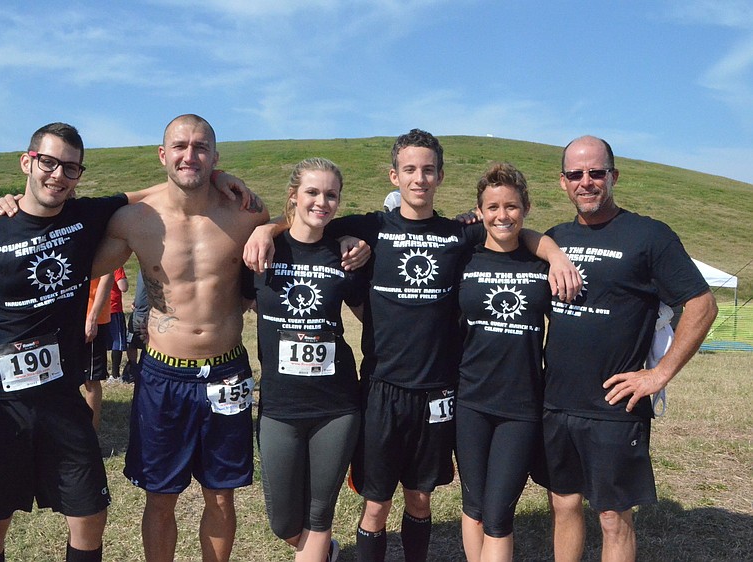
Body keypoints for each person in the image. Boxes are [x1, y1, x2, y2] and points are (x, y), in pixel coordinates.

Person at [245, 129, 580, 562]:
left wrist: (555, 255)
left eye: (427, 170)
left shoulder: (460, 233)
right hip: (381, 388)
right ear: (394, 176)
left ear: (440, 176)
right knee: (376, 504)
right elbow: (307, 224)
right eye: (409, 170)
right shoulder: (369, 228)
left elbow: (517, 231)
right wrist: (265, 230)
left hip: (438, 391)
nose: (418, 178)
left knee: (420, 499)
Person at [0, 123, 127, 562]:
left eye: (70, 168)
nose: (57, 175)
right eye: (49, 162)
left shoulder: (84, 219)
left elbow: (154, 199)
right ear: (28, 161)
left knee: (91, 513)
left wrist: (218, 181)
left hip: (61, 399)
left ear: (79, 176)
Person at [89, 114, 272, 562]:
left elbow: (307, 223)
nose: (190, 155)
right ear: (162, 154)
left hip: (227, 370)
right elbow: (79, 255)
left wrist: (272, 227)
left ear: (216, 156)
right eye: (180, 146)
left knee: (222, 495)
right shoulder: (135, 220)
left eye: (201, 147)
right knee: (160, 495)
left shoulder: (246, 214)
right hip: (162, 374)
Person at [536, 136, 717, 562]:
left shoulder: (649, 236)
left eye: (596, 172)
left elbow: (701, 304)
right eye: (576, 174)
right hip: (555, 401)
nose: (587, 182)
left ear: (613, 176)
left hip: (615, 406)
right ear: (562, 182)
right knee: (563, 506)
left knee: (614, 518)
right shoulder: (554, 238)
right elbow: (513, 239)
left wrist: (660, 373)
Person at [243, 158, 365, 562]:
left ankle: (317, 547)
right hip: (280, 406)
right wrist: (265, 227)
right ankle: (321, 550)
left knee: (319, 511)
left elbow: (373, 314)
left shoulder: (344, 254)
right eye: (312, 192)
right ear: (293, 195)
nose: (322, 202)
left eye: (331, 194)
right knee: (283, 523)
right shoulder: (262, 248)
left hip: (337, 405)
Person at [454, 163, 550, 562]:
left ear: (525, 207)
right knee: (474, 509)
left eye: (511, 206)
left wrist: (554, 253)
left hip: (521, 406)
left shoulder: (541, 266)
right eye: (492, 207)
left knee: (498, 516)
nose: (502, 215)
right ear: (480, 212)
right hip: (470, 401)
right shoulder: (464, 260)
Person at [83, 273, 114, 432]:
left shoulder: (99, 246)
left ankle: (91, 434)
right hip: (66, 316)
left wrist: (93, 318)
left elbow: (108, 275)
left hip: (92, 318)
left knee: (91, 378)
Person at [108, 267, 133, 382]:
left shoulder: (98, 261)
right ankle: (115, 374)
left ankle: (103, 371)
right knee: (116, 342)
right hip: (113, 308)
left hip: (99, 310)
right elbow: (123, 287)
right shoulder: (116, 265)